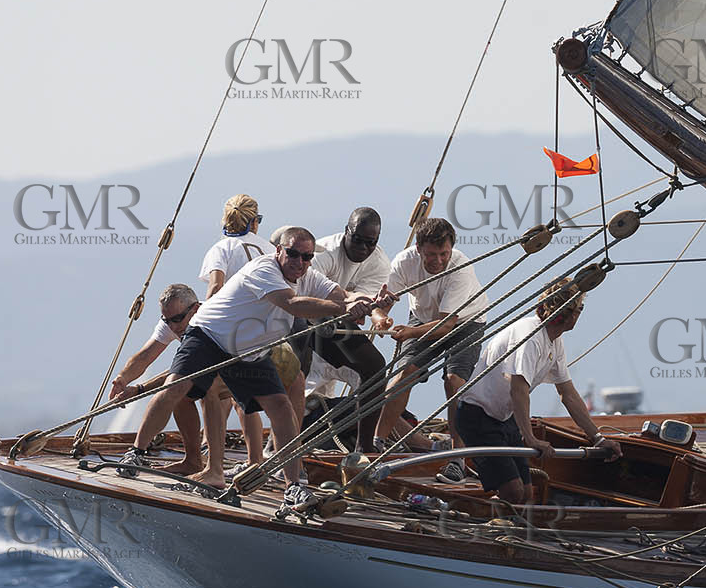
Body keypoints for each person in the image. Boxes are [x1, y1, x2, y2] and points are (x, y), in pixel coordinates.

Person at [120, 228, 383, 506]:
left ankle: (293, 485)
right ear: (279, 251)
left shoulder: (310, 277)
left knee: (281, 406)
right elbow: (291, 304)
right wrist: (341, 308)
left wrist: (367, 303)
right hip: (209, 335)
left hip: (248, 350)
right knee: (177, 387)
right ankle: (135, 453)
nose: (299, 262)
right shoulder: (264, 268)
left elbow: (342, 296)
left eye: (306, 257)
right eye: (292, 254)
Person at [454, 276, 622, 504]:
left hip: (503, 418)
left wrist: (598, 438)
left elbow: (568, 395)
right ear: (571, 314)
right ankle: (487, 525)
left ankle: (503, 524)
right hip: (477, 417)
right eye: (579, 308)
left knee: (525, 492)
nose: (580, 314)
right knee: (513, 492)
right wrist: (531, 439)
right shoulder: (530, 337)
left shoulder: (554, 341)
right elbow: (518, 390)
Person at [375, 218, 491, 482]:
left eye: (443, 254)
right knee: (404, 375)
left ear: (451, 250)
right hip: (423, 316)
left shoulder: (460, 268)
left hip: (464, 321)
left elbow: (448, 324)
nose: (438, 261)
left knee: (454, 382)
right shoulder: (404, 262)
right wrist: (380, 318)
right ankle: (377, 444)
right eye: (431, 255)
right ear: (418, 249)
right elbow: (382, 303)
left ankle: (457, 459)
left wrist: (410, 332)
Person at [295, 207, 391, 451]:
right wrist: (349, 306)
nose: (363, 248)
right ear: (347, 231)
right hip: (301, 317)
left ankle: (364, 447)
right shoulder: (323, 253)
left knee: (375, 367)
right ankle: (284, 446)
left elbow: (362, 301)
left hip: (336, 323)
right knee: (297, 369)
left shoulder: (378, 263)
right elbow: (306, 294)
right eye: (357, 240)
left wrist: (378, 315)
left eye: (370, 243)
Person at [107, 284, 214, 484]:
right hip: (207, 368)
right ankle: (193, 461)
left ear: (196, 309)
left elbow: (181, 373)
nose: (172, 326)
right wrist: (123, 379)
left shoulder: (208, 322)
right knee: (182, 397)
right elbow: (146, 355)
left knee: (207, 395)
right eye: (166, 320)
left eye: (177, 320)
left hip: (242, 364)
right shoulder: (175, 321)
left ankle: (137, 453)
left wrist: (140, 389)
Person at [200, 194, 273, 469]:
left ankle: (211, 460)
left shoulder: (221, 249)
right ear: (255, 222)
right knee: (244, 396)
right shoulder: (268, 248)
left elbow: (215, 287)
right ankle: (254, 460)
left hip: (230, 330)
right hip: (265, 330)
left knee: (211, 391)